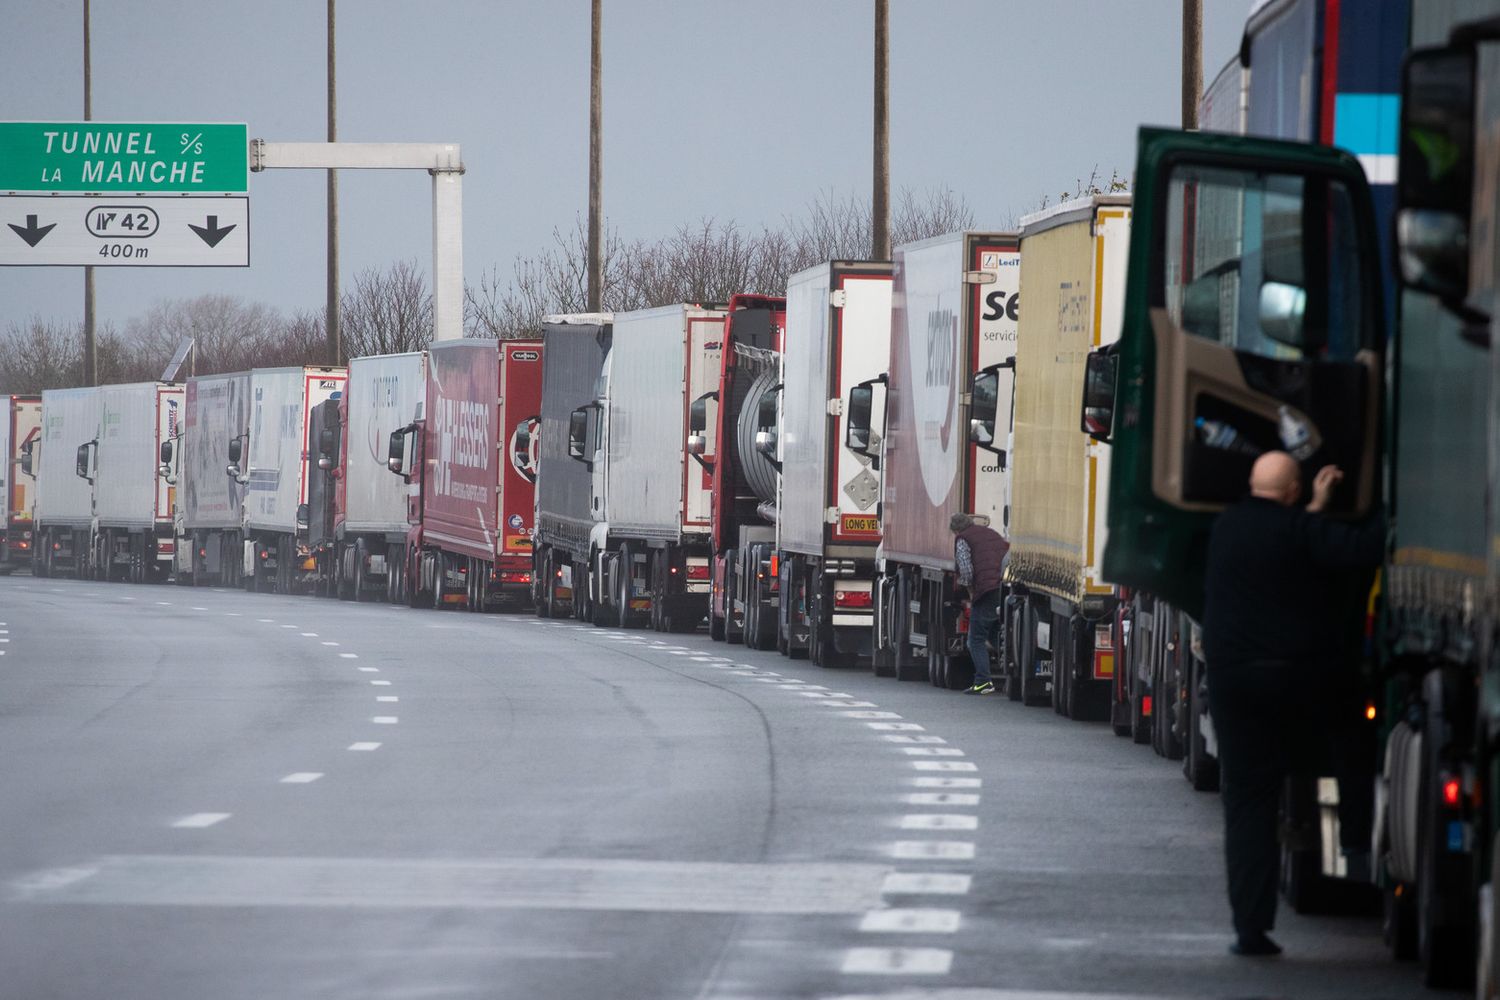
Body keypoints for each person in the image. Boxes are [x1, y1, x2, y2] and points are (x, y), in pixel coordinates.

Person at [1203, 451, 1383, 957]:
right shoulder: (1302, 530)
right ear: (1294, 489)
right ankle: (1355, 836)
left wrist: (1309, 512)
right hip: (1298, 682)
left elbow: (1279, 539)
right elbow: (1361, 549)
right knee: (1351, 723)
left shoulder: (1226, 530)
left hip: (1234, 685)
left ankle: (1251, 929)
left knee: (1247, 805)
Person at [951, 512, 1009, 695]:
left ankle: (983, 681)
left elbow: (967, 570)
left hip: (985, 590)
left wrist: (968, 589)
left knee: (975, 640)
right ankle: (1013, 674)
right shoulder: (991, 534)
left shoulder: (963, 539)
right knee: (993, 635)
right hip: (1003, 587)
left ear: (956, 529)